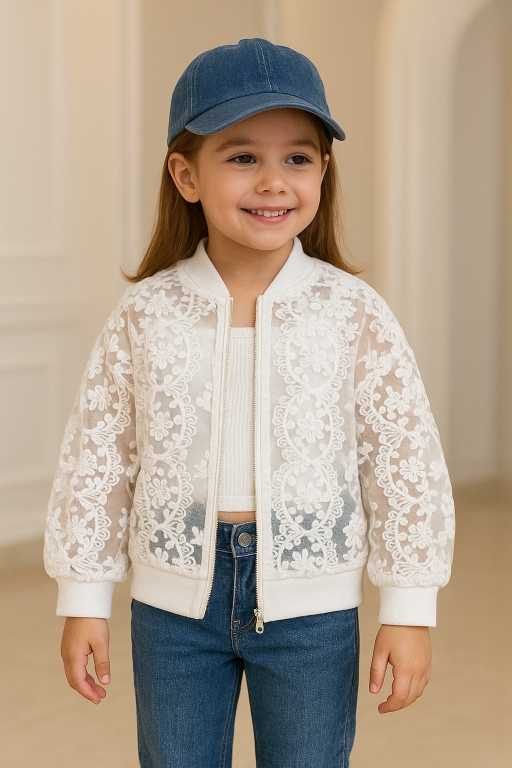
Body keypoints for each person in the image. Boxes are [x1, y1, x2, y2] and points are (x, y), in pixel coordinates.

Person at [44, 38, 455, 768]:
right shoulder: (146, 314)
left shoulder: (352, 313)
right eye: (242, 157)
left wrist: (409, 610)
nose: (273, 182)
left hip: (312, 609)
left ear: (323, 171)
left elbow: (404, 465)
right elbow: (98, 461)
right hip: (172, 610)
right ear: (186, 175)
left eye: (297, 158)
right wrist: (84, 599)